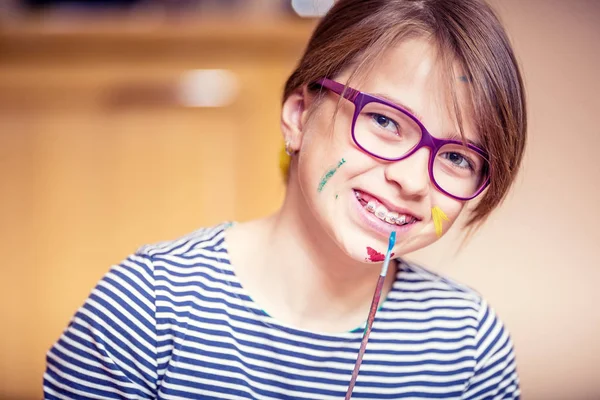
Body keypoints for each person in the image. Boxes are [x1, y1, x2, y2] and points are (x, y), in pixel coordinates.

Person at [43, 0, 527, 398]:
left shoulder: (468, 347)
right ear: (299, 115)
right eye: (384, 121)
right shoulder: (145, 309)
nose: (414, 180)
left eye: (458, 158)